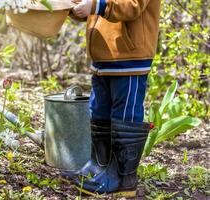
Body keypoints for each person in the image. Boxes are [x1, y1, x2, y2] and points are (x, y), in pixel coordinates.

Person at [61, 0, 161, 195]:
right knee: (99, 110)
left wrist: (95, 6)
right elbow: (92, 6)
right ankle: (99, 166)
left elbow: (132, 5)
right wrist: (71, 5)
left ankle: (123, 178)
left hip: (130, 56)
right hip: (103, 56)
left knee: (125, 115)